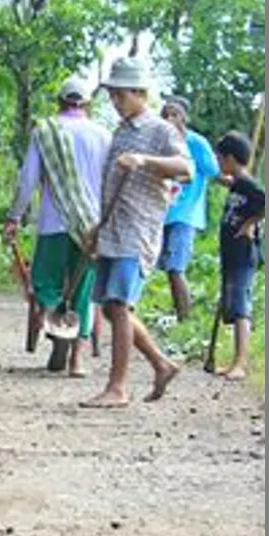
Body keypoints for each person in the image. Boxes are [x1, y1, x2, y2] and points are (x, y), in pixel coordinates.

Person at [81, 57, 192, 409]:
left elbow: (185, 169)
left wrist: (145, 161)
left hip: (138, 231)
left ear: (140, 93)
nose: (115, 102)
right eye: (112, 95)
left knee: (119, 303)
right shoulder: (121, 131)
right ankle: (161, 364)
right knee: (114, 309)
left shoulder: (161, 131)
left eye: (120, 95)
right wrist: (97, 227)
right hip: (113, 229)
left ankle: (118, 387)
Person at [3, 77, 111, 377]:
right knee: (84, 290)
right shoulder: (103, 135)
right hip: (90, 224)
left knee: (44, 283)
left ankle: (56, 323)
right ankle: (77, 358)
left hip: (53, 222)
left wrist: (14, 216)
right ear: (87, 104)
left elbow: (28, 180)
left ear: (60, 102)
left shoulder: (45, 131)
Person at [157, 96, 221, 321]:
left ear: (184, 117)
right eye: (165, 114)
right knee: (160, 267)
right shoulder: (160, 142)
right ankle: (177, 313)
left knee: (176, 268)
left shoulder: (196, 143)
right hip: (162, 211)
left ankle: (186, 318)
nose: (169, 119)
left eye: (174, 114)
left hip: (185, 213)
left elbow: (213, 171)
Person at [213, 131, 264, 381]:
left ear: (231, 159)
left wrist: (250, 224)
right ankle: (235, 359)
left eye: (220, 159)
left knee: (241, 308)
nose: (219, 164)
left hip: (244, 254)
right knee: (232, 306)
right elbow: (224, 181)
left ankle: (241, 362)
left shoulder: (249, 184)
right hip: (231, 254)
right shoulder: (237, 182)